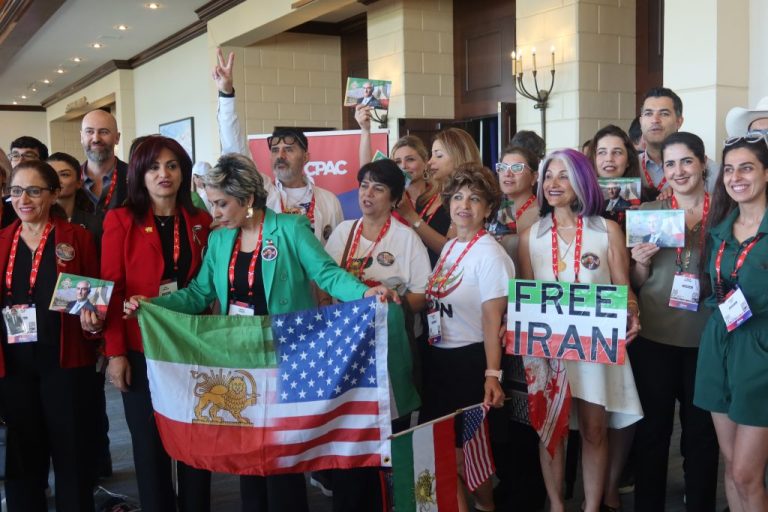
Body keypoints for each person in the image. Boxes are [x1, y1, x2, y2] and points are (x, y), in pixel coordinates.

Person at [134, 152, 396, 512]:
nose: (215, 213)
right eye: (212, 204)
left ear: (248, 200)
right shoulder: (220, 240)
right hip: (241, 359)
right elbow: (199, 294)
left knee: (281, 456)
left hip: (286, 355)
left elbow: (326, 273)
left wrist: (364, 293)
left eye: (222, 204)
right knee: (247, 454)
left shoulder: (290, 229)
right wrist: (152, 305)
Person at [517, 149, 642, 512]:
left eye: (564, 176)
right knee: (551, 431)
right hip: (548, 350)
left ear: (582, 181)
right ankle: (556, 505)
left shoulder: (606, 231)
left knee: (594, 430)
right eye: (548, 177)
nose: (554, 184)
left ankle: (591, 506)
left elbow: (624, 289)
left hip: (593, 347)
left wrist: (632, 311)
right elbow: (526, 297)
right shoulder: (530, 237)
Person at [101, 135, 213, 512]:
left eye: (172, 165)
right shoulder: (120, 220)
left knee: (196, 442)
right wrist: (115, 352)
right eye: (153, 166)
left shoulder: (200, 222)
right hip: (140, 348)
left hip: (191, 347)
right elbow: (112, 292)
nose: (163, 174)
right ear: (139, 174)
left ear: (183, 172)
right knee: (149, 448)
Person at [323, 158, 430, 511]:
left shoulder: (406, 239)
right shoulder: (343, 232)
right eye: (364, 185)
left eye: (379, 188)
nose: (368, 193)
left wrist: (394, 299)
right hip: (346, 351)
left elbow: (422, 295)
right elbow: (324, 288)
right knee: (349, 436)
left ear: (395, 198)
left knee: (388, 438)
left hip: (390, 353)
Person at [0, 160, 102, 511]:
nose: (23, 199)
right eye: (16, 191)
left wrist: (93, 323)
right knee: (22, 457)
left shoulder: (76, 238)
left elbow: (95, 300)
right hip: (14, 367)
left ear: (54, 193)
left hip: (65, 361)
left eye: (33, 190)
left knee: (71, 453)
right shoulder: (1, 241)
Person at [629, 131, 719, 511]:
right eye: (670, 164)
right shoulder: (650, 212)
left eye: (686, 161)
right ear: (662, 170)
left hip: (707, 339)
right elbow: (635, 283)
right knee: (653, 432)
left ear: (702, 164)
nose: (679, 171)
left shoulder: (725, 213)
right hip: (656, 337)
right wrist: (642, 262)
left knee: (701, 435)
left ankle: (699, 503)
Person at [420, 163, 513, 512]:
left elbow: (493, 322)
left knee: (469, 460)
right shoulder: (451, 247)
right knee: (444, 455)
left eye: (474, 199)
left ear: (488, 208)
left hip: (471, 363)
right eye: (457, 197)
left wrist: (492, 375)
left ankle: (487, 507)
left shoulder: (490, 254)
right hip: (440, 359)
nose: (464, 205)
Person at [694, 133, 768, 511]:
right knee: (731, 467)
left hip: (761, 354)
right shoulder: (720, 227)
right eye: (729, 169)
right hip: (718, 345)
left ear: (766, 173)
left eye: (747, 168)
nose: (736, 177)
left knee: (746, 474)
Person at [638, 88, 718, 196]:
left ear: (679, 121)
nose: (655, 120)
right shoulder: (629, 165)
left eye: (664, 114)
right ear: (641, 121)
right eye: (648, 114)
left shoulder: (711, 171)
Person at [488, 144, 540, 264]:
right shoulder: (496, 208)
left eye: (517, 168)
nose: (507, 173)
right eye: (502, 167)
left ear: (534, 177)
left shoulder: (543, 213)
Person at [48, 152, 103, 245]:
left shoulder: (96, 224)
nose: (56, 180)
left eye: (64, 174)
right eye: (50, 174)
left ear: (79, 183)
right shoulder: (35, 220)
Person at [80, 109, 129, 212]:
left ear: (117, 138)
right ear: (82, 137)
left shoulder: (134, 176)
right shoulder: (70, 178)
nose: (96, 139)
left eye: (104, 132)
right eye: (89, 132)